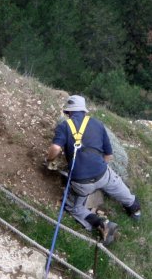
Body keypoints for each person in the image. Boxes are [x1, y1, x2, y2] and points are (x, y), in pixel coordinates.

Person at [46, 94, 141, 245]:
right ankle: (134, 208)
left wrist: (49, 159)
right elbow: (108, 156)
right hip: (102, 173)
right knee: (115, 181)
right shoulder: (97, 124)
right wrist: (97, 168)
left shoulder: (64, 126)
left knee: (73, 207)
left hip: (81, 182)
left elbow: (56, 148)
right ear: (84, 111)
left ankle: (101, 224)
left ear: (68, 112)